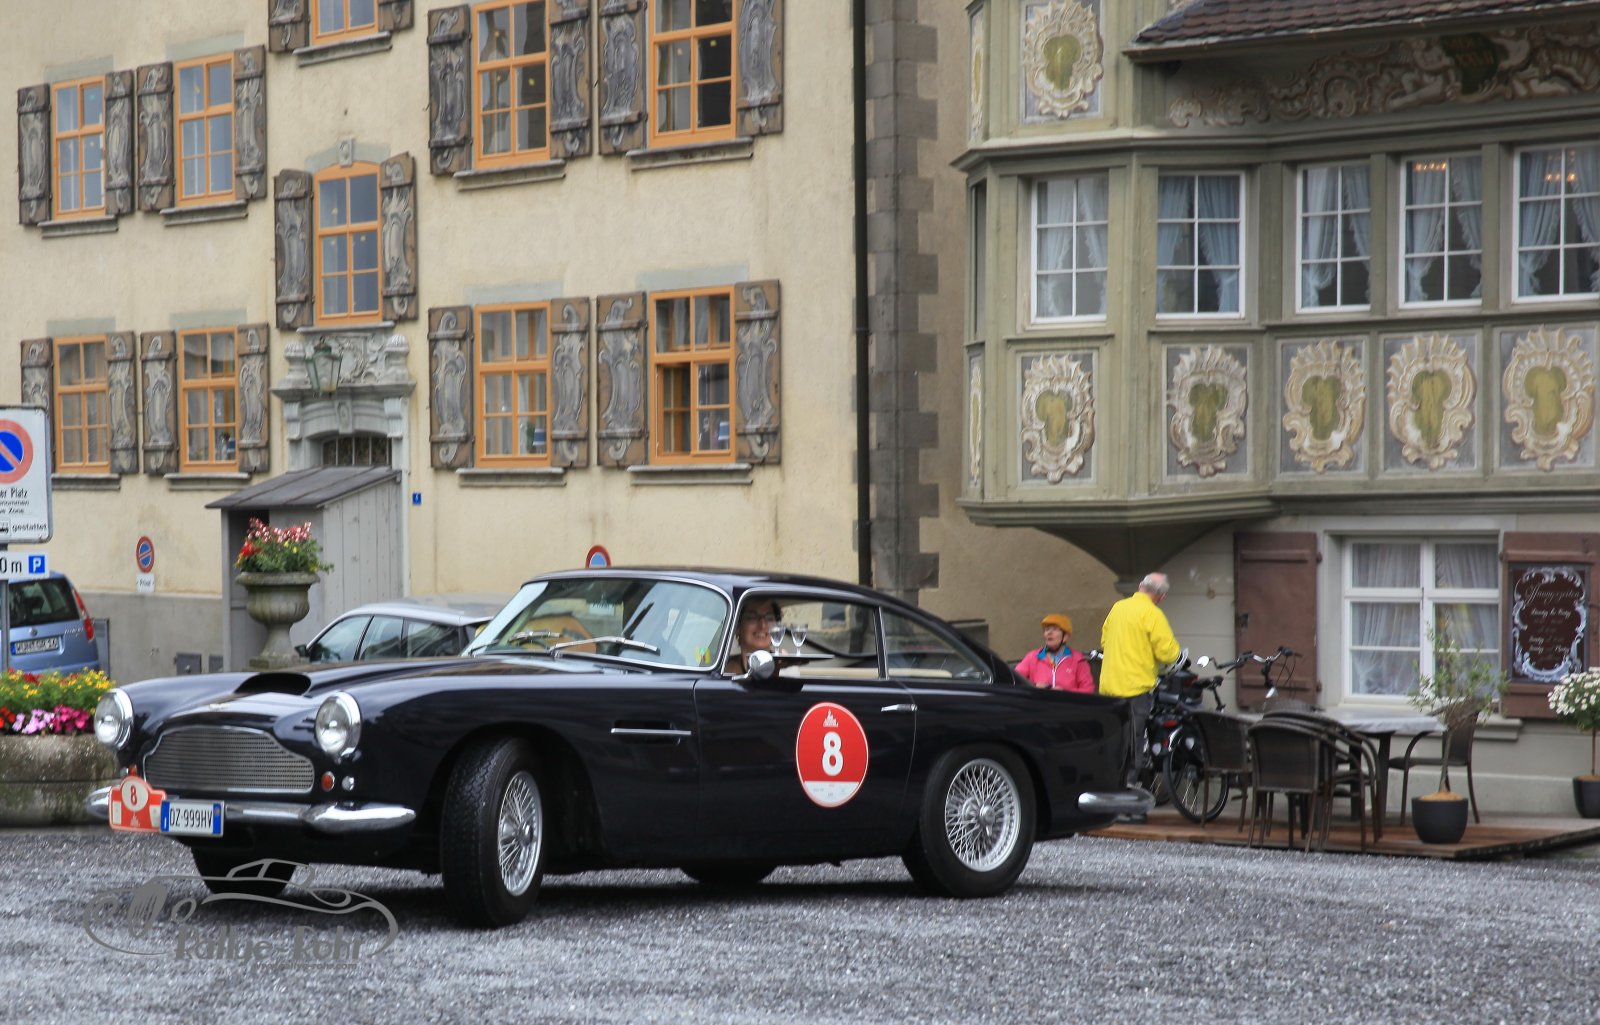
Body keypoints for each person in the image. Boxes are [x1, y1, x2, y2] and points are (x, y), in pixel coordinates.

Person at [1100, 573, 1182, 796]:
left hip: (1109, 687)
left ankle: (1108, 785)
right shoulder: (1152, 614)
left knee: (1115, 740)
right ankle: (1128, 789)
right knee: (1134, 740)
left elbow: (1104, 641)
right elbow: (1167, 652)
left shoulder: (1118, 608)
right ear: (1161, 597)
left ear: (1140, 586)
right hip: (1136, 687)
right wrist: (1179, 655)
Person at [1014, 613, 1094, 692]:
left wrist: (1065, 693)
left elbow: (1088, 689)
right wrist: (1034, 687)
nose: (1049, 633)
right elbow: (1014, 679)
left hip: (1066, 701)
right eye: (1047, 629)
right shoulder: (1032, 657)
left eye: (1055, 629)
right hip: (1038, 700)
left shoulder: (1078, 659)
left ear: (1065, 637)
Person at [726, 598, 780, 674]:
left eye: (769, 618)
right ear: (737, 627)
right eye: (753, 617)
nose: (763, 625)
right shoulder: (724, 670)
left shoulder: (787, 669)